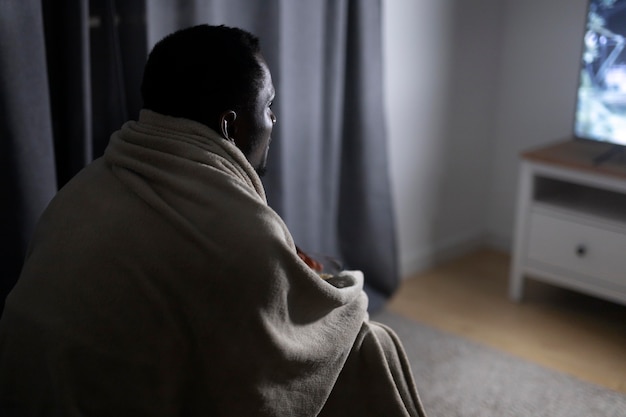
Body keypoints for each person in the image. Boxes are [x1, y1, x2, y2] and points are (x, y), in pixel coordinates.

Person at [0, 24, 427, 416]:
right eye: (269, 106)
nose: (274, 122)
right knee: (369, 347)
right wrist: (349, 287)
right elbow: (303, 344)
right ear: (231, 126)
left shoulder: (84, 187)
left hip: (26, 394)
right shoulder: (240, 230)